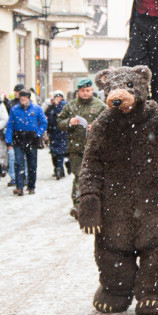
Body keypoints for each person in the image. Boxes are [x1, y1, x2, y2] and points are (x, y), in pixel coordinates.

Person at [58, 78, 107, 218]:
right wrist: (69, 122)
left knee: (96, 176)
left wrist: (96, 127)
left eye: (88, 90)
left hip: (95, 148)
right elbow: (59, 123)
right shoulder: (70, 106)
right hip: (76, 148)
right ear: (78, 92)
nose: (85, 93)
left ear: (92, 90)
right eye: (82, 91)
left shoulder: (100, 106)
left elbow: (109, 123)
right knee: (79, 176)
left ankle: (96, 204)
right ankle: (78, 205)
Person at [5, 88, 47, 196]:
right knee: (18, 163)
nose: (23, 99)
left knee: (32, 163)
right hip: (18, 138)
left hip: (32, 138)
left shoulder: (37, 109)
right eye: (21, 97)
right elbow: (10, 125)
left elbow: (43, 123)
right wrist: (8, 140)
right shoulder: (14, 110)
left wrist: (38, 134)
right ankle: (19, 187)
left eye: (25, 97)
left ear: (29, 98)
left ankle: (31, 186)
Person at [44, 91, 68, 180]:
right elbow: (45, 118)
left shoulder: (64, 107)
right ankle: (57, 168)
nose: (58, 99)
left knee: (60, 152)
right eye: (56, 97)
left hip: (62, 133)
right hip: (53, 133)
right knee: (54, 153)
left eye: (60, 97)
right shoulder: (50, 108)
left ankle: (59, 168)